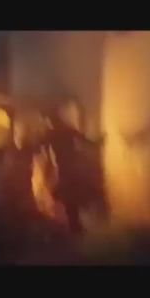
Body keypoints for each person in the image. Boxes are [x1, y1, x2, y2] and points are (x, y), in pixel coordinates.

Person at [45, 99, 104, 234]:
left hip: (66, 170)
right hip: (70, 169)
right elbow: (86, 140)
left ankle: (75, 226)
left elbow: (41, 146)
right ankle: (75, 225)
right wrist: (98, 142)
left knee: (70, 199)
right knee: (72, 198)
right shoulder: (65, 131)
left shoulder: (53, 134)